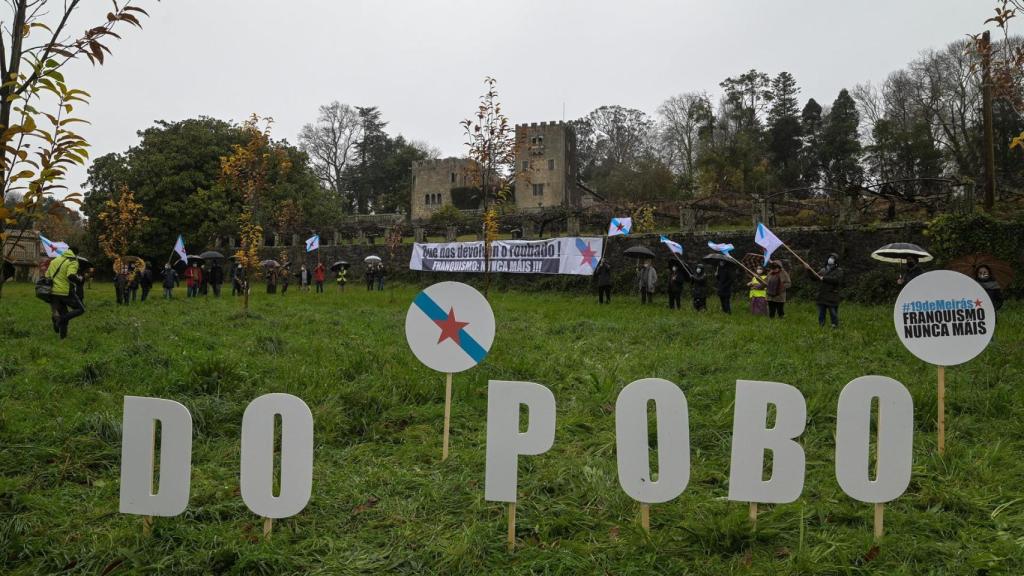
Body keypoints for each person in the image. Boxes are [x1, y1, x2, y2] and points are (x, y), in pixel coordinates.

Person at [45, 247, 84, 340]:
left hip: (53, 292)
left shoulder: (55, 260)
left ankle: (63, 338)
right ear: (76, 254)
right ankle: (59, 320)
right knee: (81, 309)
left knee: (64, 313)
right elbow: (70, 275)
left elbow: (47, 275)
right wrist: (79, 280)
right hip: (65, 292)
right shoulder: (73, 261)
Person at [815, 253, 844, 328]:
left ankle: (834, 325)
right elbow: (815, 277)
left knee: (833, 312)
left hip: (832, 296)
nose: (830, 259)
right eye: (830, 257)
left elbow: (836, 280)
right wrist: (808, 269)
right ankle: (821, 325)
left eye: (833, 258)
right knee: (821, 312)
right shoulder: (823, 270)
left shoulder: (839, 270)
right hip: (823, 294)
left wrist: (824, 278)